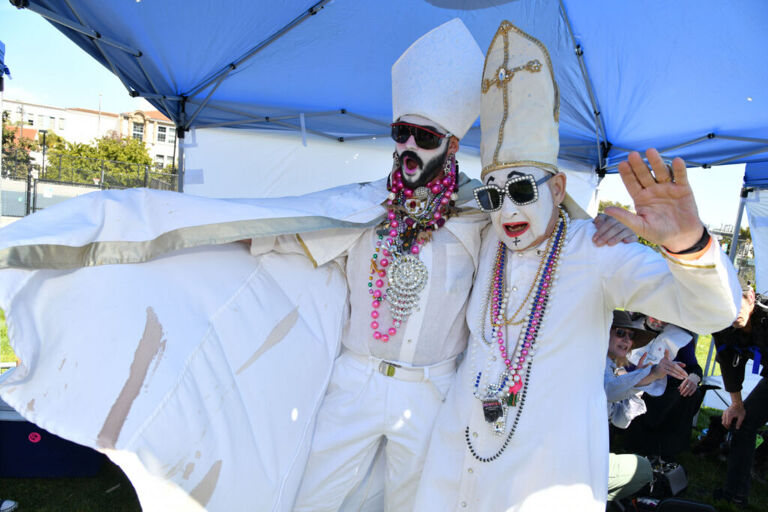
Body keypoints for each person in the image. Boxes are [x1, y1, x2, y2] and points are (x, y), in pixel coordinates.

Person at [0, 19, 633, 511]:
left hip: (433, 392)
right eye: (402, 133)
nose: (410, 147)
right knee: (311, 500)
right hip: (353, 384)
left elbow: (539, 225)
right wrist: (196, 243)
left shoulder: (480, 216)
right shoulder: (356, 210)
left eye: (426, 137)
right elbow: (275, 237)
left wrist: (599, 222)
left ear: (451, 145)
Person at [413, 20, 740, 512]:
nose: (508, 210)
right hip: (456, 461)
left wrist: (688, 246)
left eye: (523, 190)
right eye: (493, 195)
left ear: (559, 188)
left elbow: (713, 311)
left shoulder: (595, 250)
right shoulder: (485, 239)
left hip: (545, 481)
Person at [712, 283, 768, 506]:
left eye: (738, 304)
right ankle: (735, 494)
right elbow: (728, 362)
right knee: (742, 421)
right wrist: (736, 405)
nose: (733, 313)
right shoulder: (723, 325)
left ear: (751, 297)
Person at [624, 315, 705, 461]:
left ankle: (666, 452)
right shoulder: (627, 328)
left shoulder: (679, 336)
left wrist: (694, 377)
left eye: (665, 318)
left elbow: (694, 367)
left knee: (690, 393)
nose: (659, 322)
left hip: (665, 388)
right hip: (629, 383)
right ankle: (636, 446)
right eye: (655, 316)